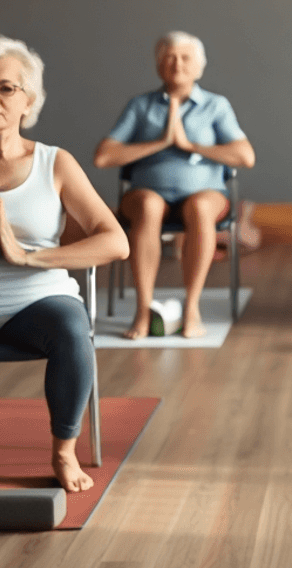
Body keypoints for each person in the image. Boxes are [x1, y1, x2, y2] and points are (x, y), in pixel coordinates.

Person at [0, 36, 128, 492]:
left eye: (6, 87)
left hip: (38, 301)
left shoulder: (55, 163)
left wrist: (30, 258)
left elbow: (115, 241)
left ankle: (63, 453)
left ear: (29, 100)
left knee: (70, 327)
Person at [94, 32, 255, 340]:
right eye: (169, 57)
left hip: (206, 194)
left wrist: (189, 145)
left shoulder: (215, 106)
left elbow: (245, 156)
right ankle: (143, 308)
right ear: (158, 64)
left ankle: (192, 307)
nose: (177, 64)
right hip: (146, 193)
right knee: (148, 206)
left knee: (199, 207)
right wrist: (160, 143)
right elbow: (103, 156)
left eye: (185, 58)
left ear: (199, 67)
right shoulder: (141, 106)